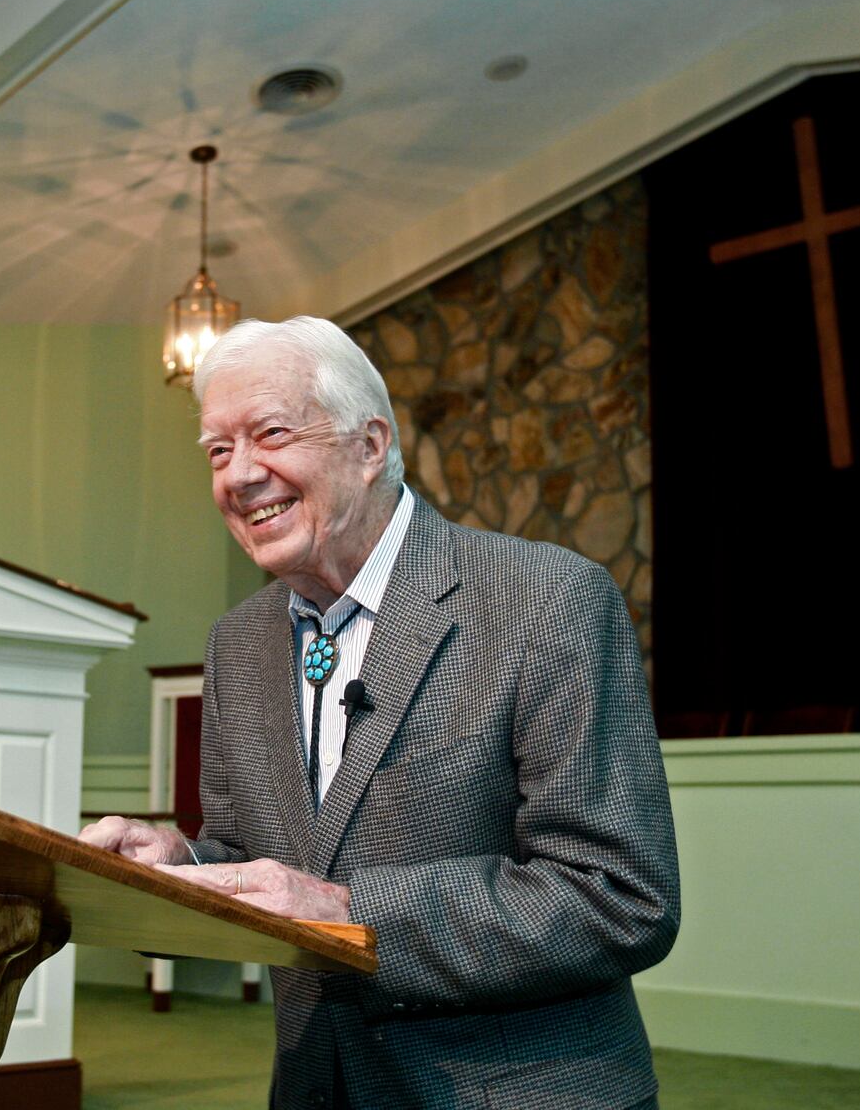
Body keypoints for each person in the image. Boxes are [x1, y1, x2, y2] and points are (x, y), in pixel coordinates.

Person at [81, 316, 679, 1109]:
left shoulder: (547, 600)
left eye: (269, 433)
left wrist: (345, 912)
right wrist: (181, 867)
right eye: (218, 451)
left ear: (369, 446)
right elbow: (258, 855)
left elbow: (616, 893)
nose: (239, 475)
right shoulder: (237, 642)